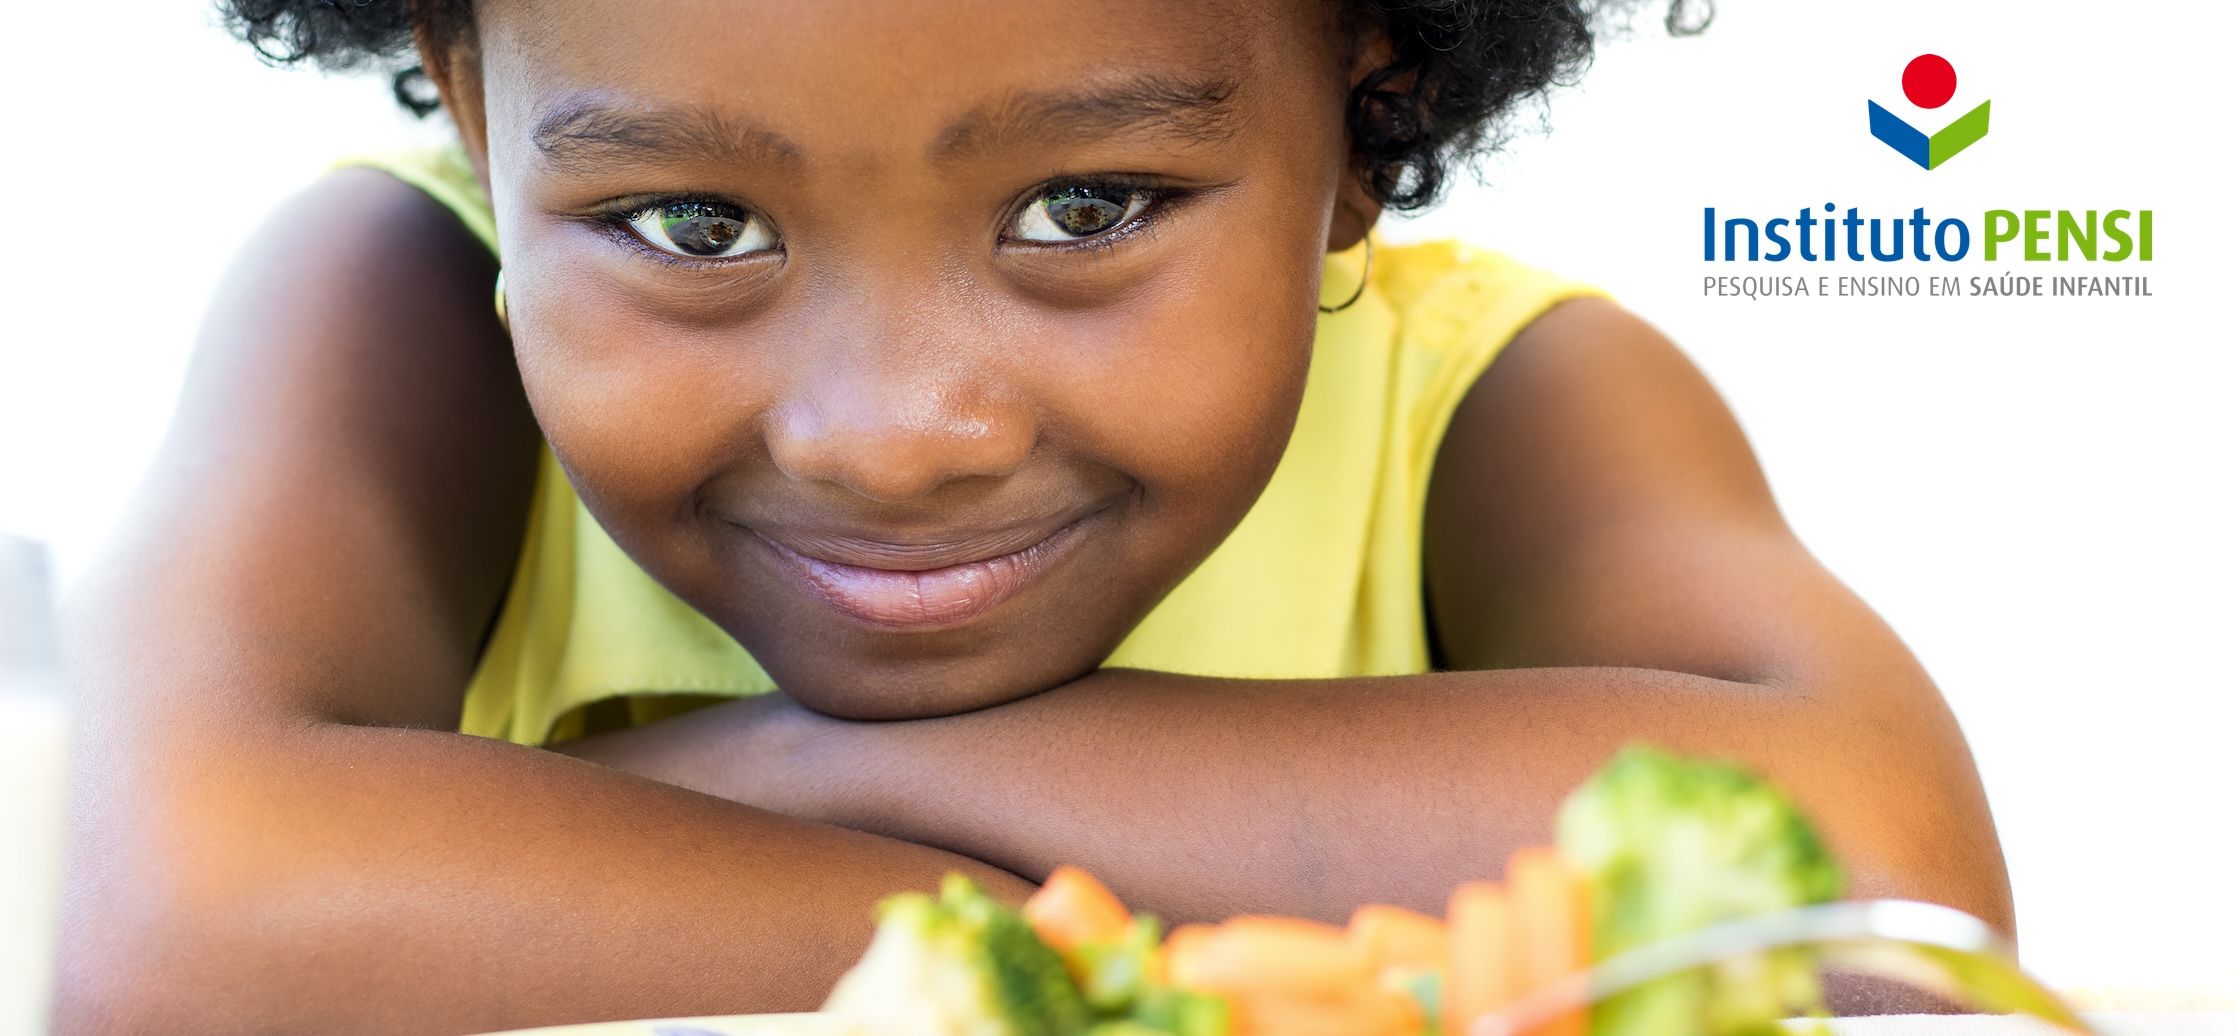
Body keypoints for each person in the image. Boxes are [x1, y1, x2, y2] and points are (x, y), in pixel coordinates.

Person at [57, 0, 2013, 1030]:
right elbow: (181, 933)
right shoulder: (395, 295)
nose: (893, 435)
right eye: (696, 226)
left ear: (1362, 100)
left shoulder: (1500, 397)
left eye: (1085, 207)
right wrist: (1205, 967)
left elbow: (1888, 889)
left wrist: (761, 780)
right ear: (471, 104)